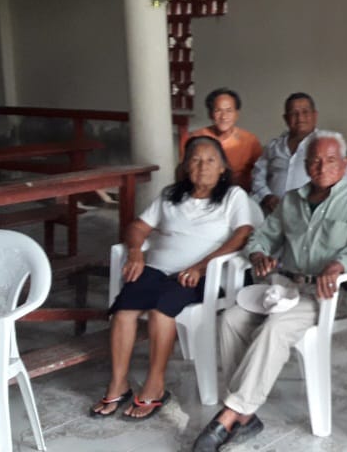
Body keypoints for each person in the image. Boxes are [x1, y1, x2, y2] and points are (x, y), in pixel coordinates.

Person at [192, 131, 347, 452]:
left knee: (275, 327)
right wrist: (258, 255)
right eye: (315, 161)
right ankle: (245, 415)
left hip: (327, 294)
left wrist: (338, 265)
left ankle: (229, 414)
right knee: (232, 318)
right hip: (284, 288)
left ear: (344, 164)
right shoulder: (292, 199)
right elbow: (261, 237)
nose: (322, 167)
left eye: (330, 160)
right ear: (306, 166)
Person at [90, 136, 256, 419]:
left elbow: (243, 235)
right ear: (185, 166)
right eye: (195, 160)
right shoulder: (170, 195)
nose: (202, 166)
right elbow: (138, 227)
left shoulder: (233, 196)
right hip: (156, 269)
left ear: (222, 168)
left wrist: (201, 266)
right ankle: (119, 383)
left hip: (200, 275)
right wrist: (135, 252)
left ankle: (155, 385)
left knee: (161, 311)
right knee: (123, 311)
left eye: (210, 160)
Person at [182, 88, 263, 192]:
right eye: (218, 111)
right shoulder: (195, 138)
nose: (224, 116)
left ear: (237, 114)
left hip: (239, 194)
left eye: (229, 111)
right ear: (210, 114)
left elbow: (260, 173)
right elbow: (184, 170)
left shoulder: (250, 140)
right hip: (203, 194)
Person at [251, 92, 319, 214]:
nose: (300, 118)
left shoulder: (326, 145)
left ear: (315, 115)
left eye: (305, 112)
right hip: (272, 213)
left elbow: (340, 183)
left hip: (308, 213)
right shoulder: (274, 146)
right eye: (294, 113)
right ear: (286, 118)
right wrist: (266, 196)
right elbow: (257, 175)